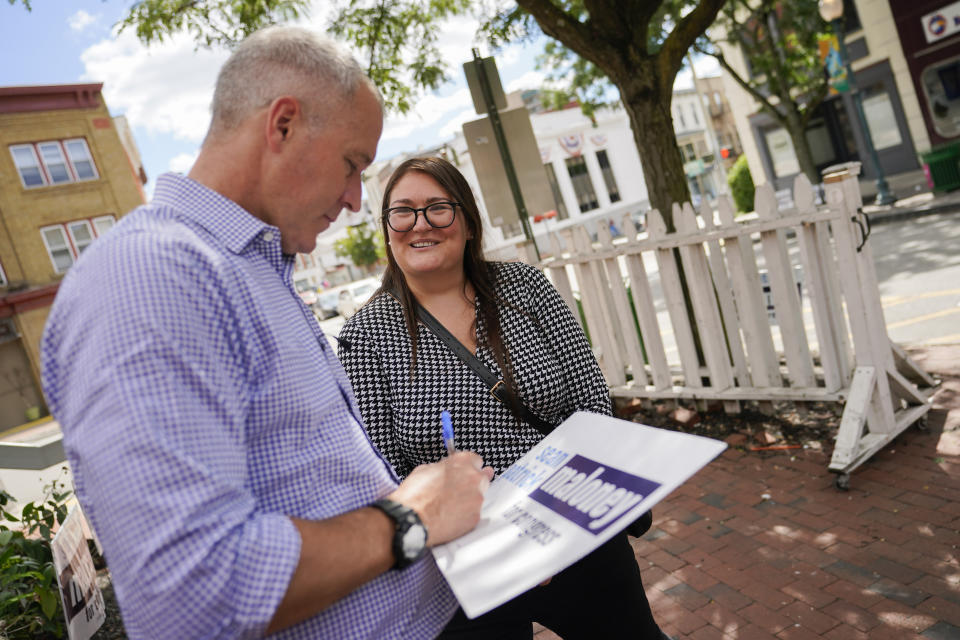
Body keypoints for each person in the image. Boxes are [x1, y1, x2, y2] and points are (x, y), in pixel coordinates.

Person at [41, 28, 492, 640]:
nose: (357, 201)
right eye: (353, 164)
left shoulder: (250, 266)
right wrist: (409, 517)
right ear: (282, 125)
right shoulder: (151, 275)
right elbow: (191, 595)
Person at [338, 156, 669, 639]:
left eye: (438, 208)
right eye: (403, 211)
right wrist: (493, 539)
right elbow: (382, 466)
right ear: (388, 229)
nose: (419, 224)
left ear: (468, 222)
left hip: (572, 527)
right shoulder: (364, 337)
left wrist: (553, 529)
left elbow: (590, 402)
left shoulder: (524, 287)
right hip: (467, 562)